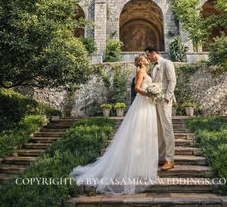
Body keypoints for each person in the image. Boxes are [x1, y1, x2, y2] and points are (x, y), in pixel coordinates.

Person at [70, 55, 158, 195]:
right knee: (138, 132)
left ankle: (141, 167)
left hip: (148, 105)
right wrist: (149, 94)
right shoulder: (140, 71)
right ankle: (132, 168)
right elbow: (136, 88)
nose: (147, 59)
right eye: (145, 58)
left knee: (145, 135)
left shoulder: (146, 71)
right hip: (142, 103)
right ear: (141, 61)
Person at [145, 46, 176, 171]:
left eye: (148, 55)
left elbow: (172, 81)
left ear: (154, 53)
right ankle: (162, 157)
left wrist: (167, 97)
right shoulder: (153, 66)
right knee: (159, 130)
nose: (147, 58)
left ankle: (170, 159)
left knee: (167, 129)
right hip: (155, 101)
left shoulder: (166, 63)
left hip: (164, 100)